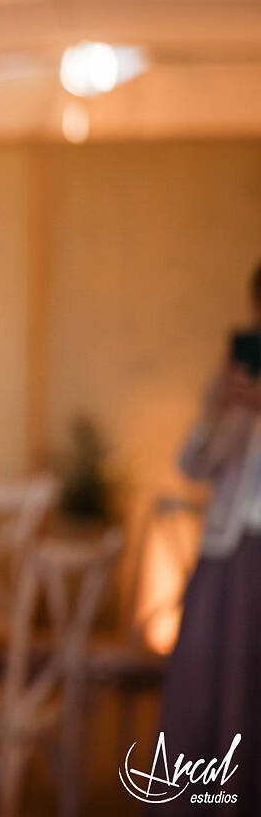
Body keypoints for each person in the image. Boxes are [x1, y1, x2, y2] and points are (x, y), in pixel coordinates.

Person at [158, 259, 261, 815]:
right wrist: (225, 408)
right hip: (228, 551)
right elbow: (191, 464)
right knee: (208, 679)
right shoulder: (238, 374)